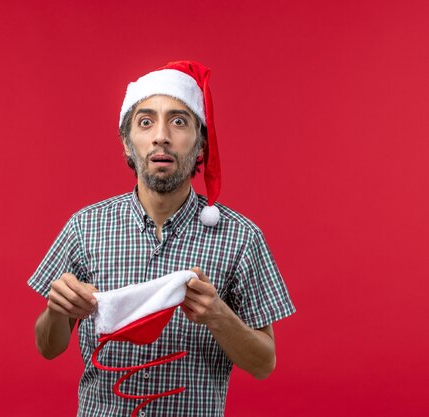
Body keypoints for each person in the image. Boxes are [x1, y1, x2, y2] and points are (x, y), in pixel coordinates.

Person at [28, 61, 295, 417]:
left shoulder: (241, 238)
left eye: (179, 121)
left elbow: (264, 363)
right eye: (146, 121)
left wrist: (218, 316)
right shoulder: (85, 227)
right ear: (127, 143)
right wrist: (56, 310)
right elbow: (48, 348)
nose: (161, 136)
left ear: (200, 145)